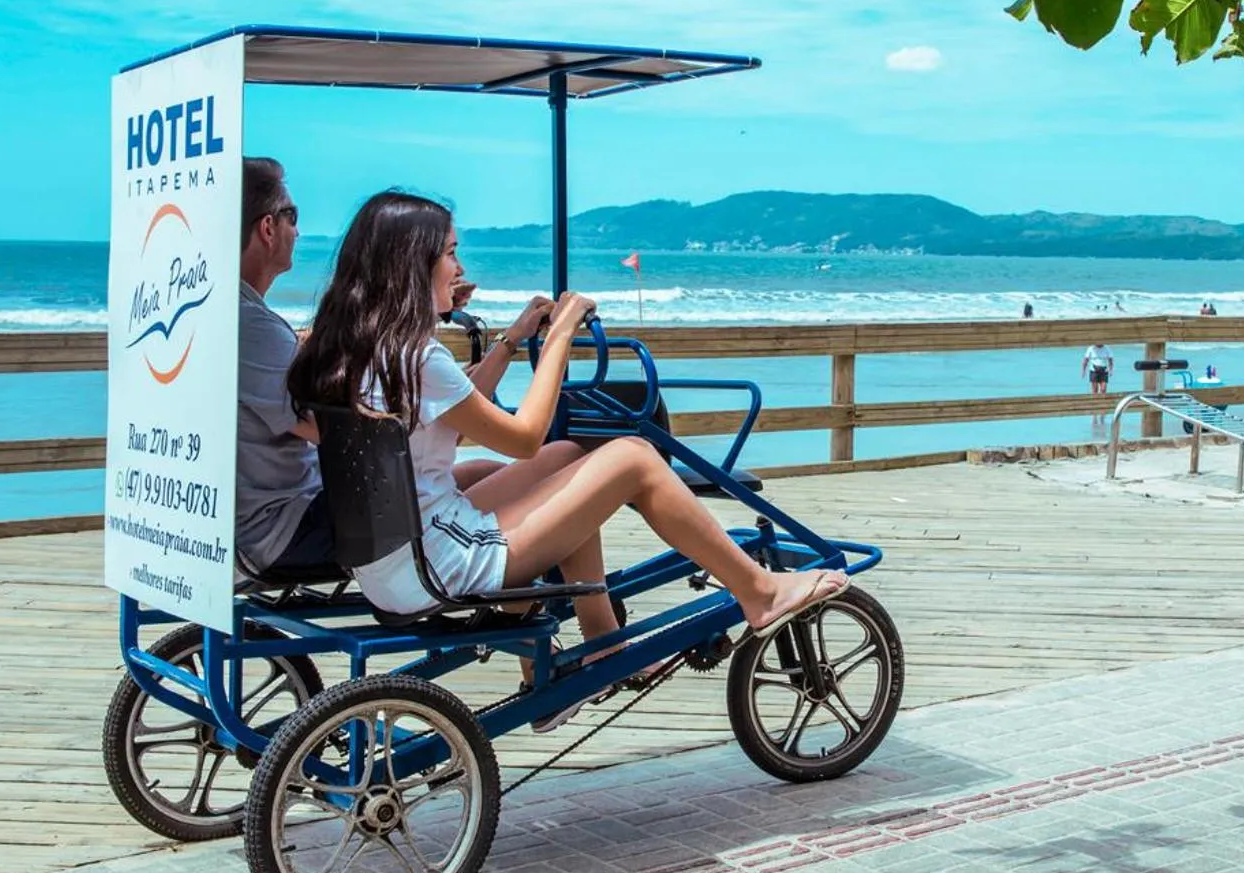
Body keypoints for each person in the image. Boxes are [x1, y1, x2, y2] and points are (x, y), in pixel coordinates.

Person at [286, 191, 847, 676]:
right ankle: (760, 591)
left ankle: (600, 638)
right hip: (438, 561)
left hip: (393, 555)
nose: (458, 268)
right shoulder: (416, 357)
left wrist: (513, 336)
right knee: (631, 457)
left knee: (565, 459)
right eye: (451, 253)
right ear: (412, 264)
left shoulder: (350, 346)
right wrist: (562, 336)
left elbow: (457, 417)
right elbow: (519, 436)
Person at [233, 159, 541, 582]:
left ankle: (521, 611)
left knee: (485, 474)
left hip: (296, 506)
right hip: (286, 528)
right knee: (535, 485)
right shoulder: (254, 330)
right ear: (268, 228)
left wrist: (421, 316)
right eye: (293, 216)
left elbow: (420, 404)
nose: (298, 231)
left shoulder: (246, 320)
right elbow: (346, 432)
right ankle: (529, 604)